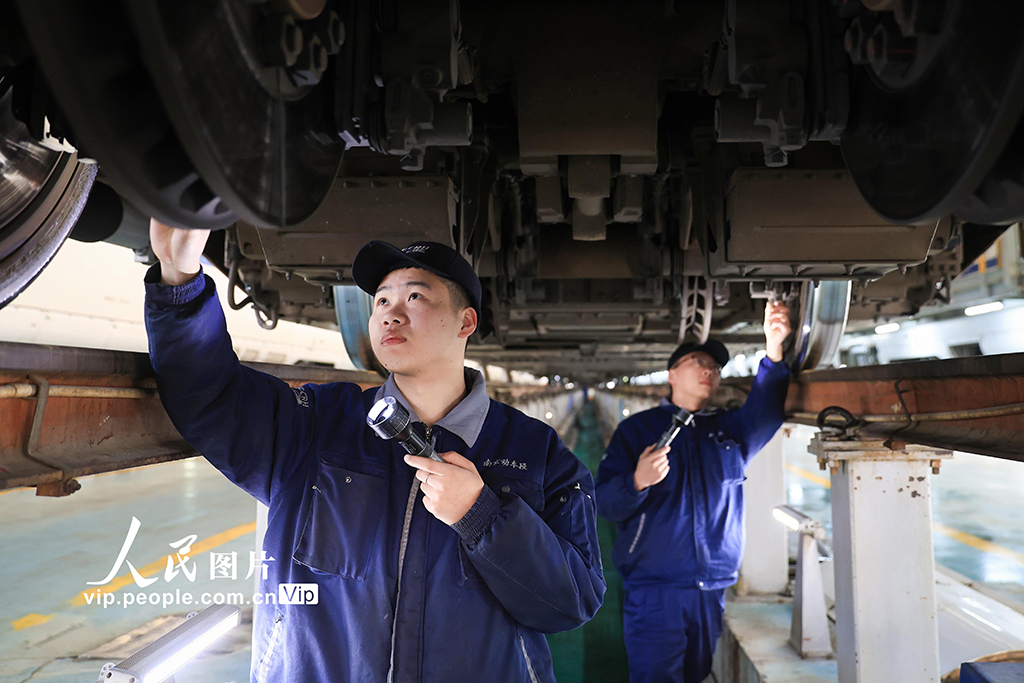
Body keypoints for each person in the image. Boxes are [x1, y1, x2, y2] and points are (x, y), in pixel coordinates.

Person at [143, 220, 605, 683]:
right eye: (382, 300)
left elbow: (572, 600)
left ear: (465, 321)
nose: (390, 313)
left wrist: (481, 515)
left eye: (415, 297)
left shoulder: (537, 451)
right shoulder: (320, 422)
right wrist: (179, 278)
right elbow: (210, 394)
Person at [595, 302, 792, 683]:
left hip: (712, 587)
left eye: (716, 367)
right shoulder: (637, 431)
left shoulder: (729, 430)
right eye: (698, 362)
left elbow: (767, 411)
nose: (709, 371)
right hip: (655, 589)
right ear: (671, 374)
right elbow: (605, 503)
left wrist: (774, 348)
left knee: (696, 674)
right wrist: (636, 481)